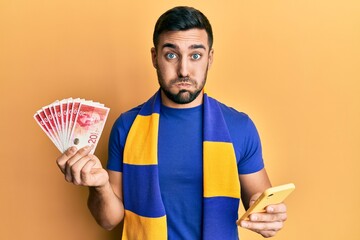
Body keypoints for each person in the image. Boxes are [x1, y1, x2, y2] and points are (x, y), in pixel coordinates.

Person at [56, 6, 288, 239]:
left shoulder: (240, 127)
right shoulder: (127, 126)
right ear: (155, 58)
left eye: (195, 55)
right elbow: (108, 221)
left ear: (210, 58)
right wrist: (100, 186)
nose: (183, 70)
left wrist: (268, 217)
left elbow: (260, 204)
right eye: (171, 55)